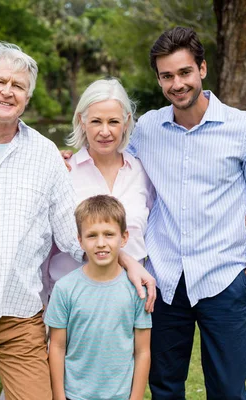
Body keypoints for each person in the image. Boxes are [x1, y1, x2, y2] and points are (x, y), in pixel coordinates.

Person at [0, 42, 155, 400]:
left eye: (19, 86)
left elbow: (74, 235)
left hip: (21, 319)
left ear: (27, 98)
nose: (8, 91)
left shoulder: (44, 155)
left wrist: (128, 260)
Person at [128, 27, 246, 399]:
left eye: (184, 72)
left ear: (202, 69)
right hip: (163, 281)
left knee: (228, 389)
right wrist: (72, 158)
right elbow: (115, 168)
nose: (176, 84)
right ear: (159, 79)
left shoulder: (245, 130)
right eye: (167, 76)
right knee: (164, 387)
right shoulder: (147, 128)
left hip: (224, 280)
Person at [41, 78, 155, 305]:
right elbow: (47, 244)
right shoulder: (63, 171)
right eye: (96, 121)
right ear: (82, 121)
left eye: (113, 121)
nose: (105, 131)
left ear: (126, 122)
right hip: (72, 303)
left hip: (129, 301)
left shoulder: (143, 173)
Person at [45, 195, 151, 400]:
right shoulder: (65, 289)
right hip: (75, 395)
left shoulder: (136, 291)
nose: (101, 243)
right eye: (92, 235)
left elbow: (142, 351)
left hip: (120, 395)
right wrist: (59, 397)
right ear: (80, 241)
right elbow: (57, 347)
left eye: (109, 234)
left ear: (124, 237)